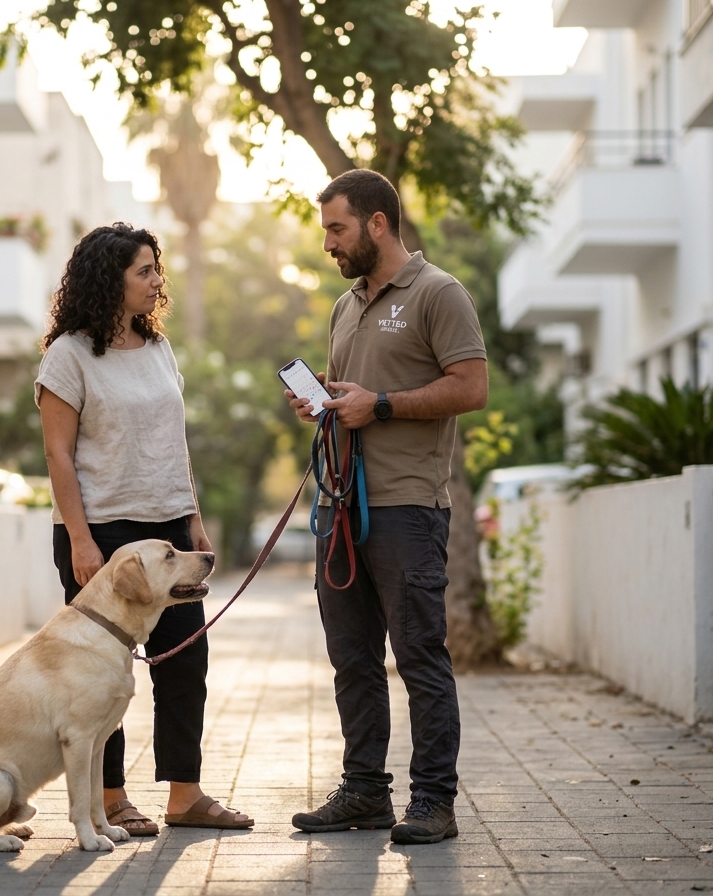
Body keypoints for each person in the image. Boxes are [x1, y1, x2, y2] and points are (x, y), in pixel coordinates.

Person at [286, 170, 488, 844]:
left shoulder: (439, 293)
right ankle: (366, 792)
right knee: (352, 660)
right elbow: (356, 394)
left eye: (337, 229)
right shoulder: (347, 306)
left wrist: (384, 405)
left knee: (420, 657)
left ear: (378, 223)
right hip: (341, 505)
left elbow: (470, 387)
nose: (328, 245)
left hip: (407, 509)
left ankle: (434, 801)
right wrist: (323, 402)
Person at [35, 222, 253, 836]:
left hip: (165, 533)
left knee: (185, 660)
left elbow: (172, 445)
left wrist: (194, 521)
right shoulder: (67, 355)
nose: (159, 283)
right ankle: (109, 799)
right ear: (110, 279)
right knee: (100, 671)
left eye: (158, 270)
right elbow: (58, 455)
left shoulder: (159, 350)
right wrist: (80, 540)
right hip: (102, 533)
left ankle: (185, 797)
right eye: (145, 272)